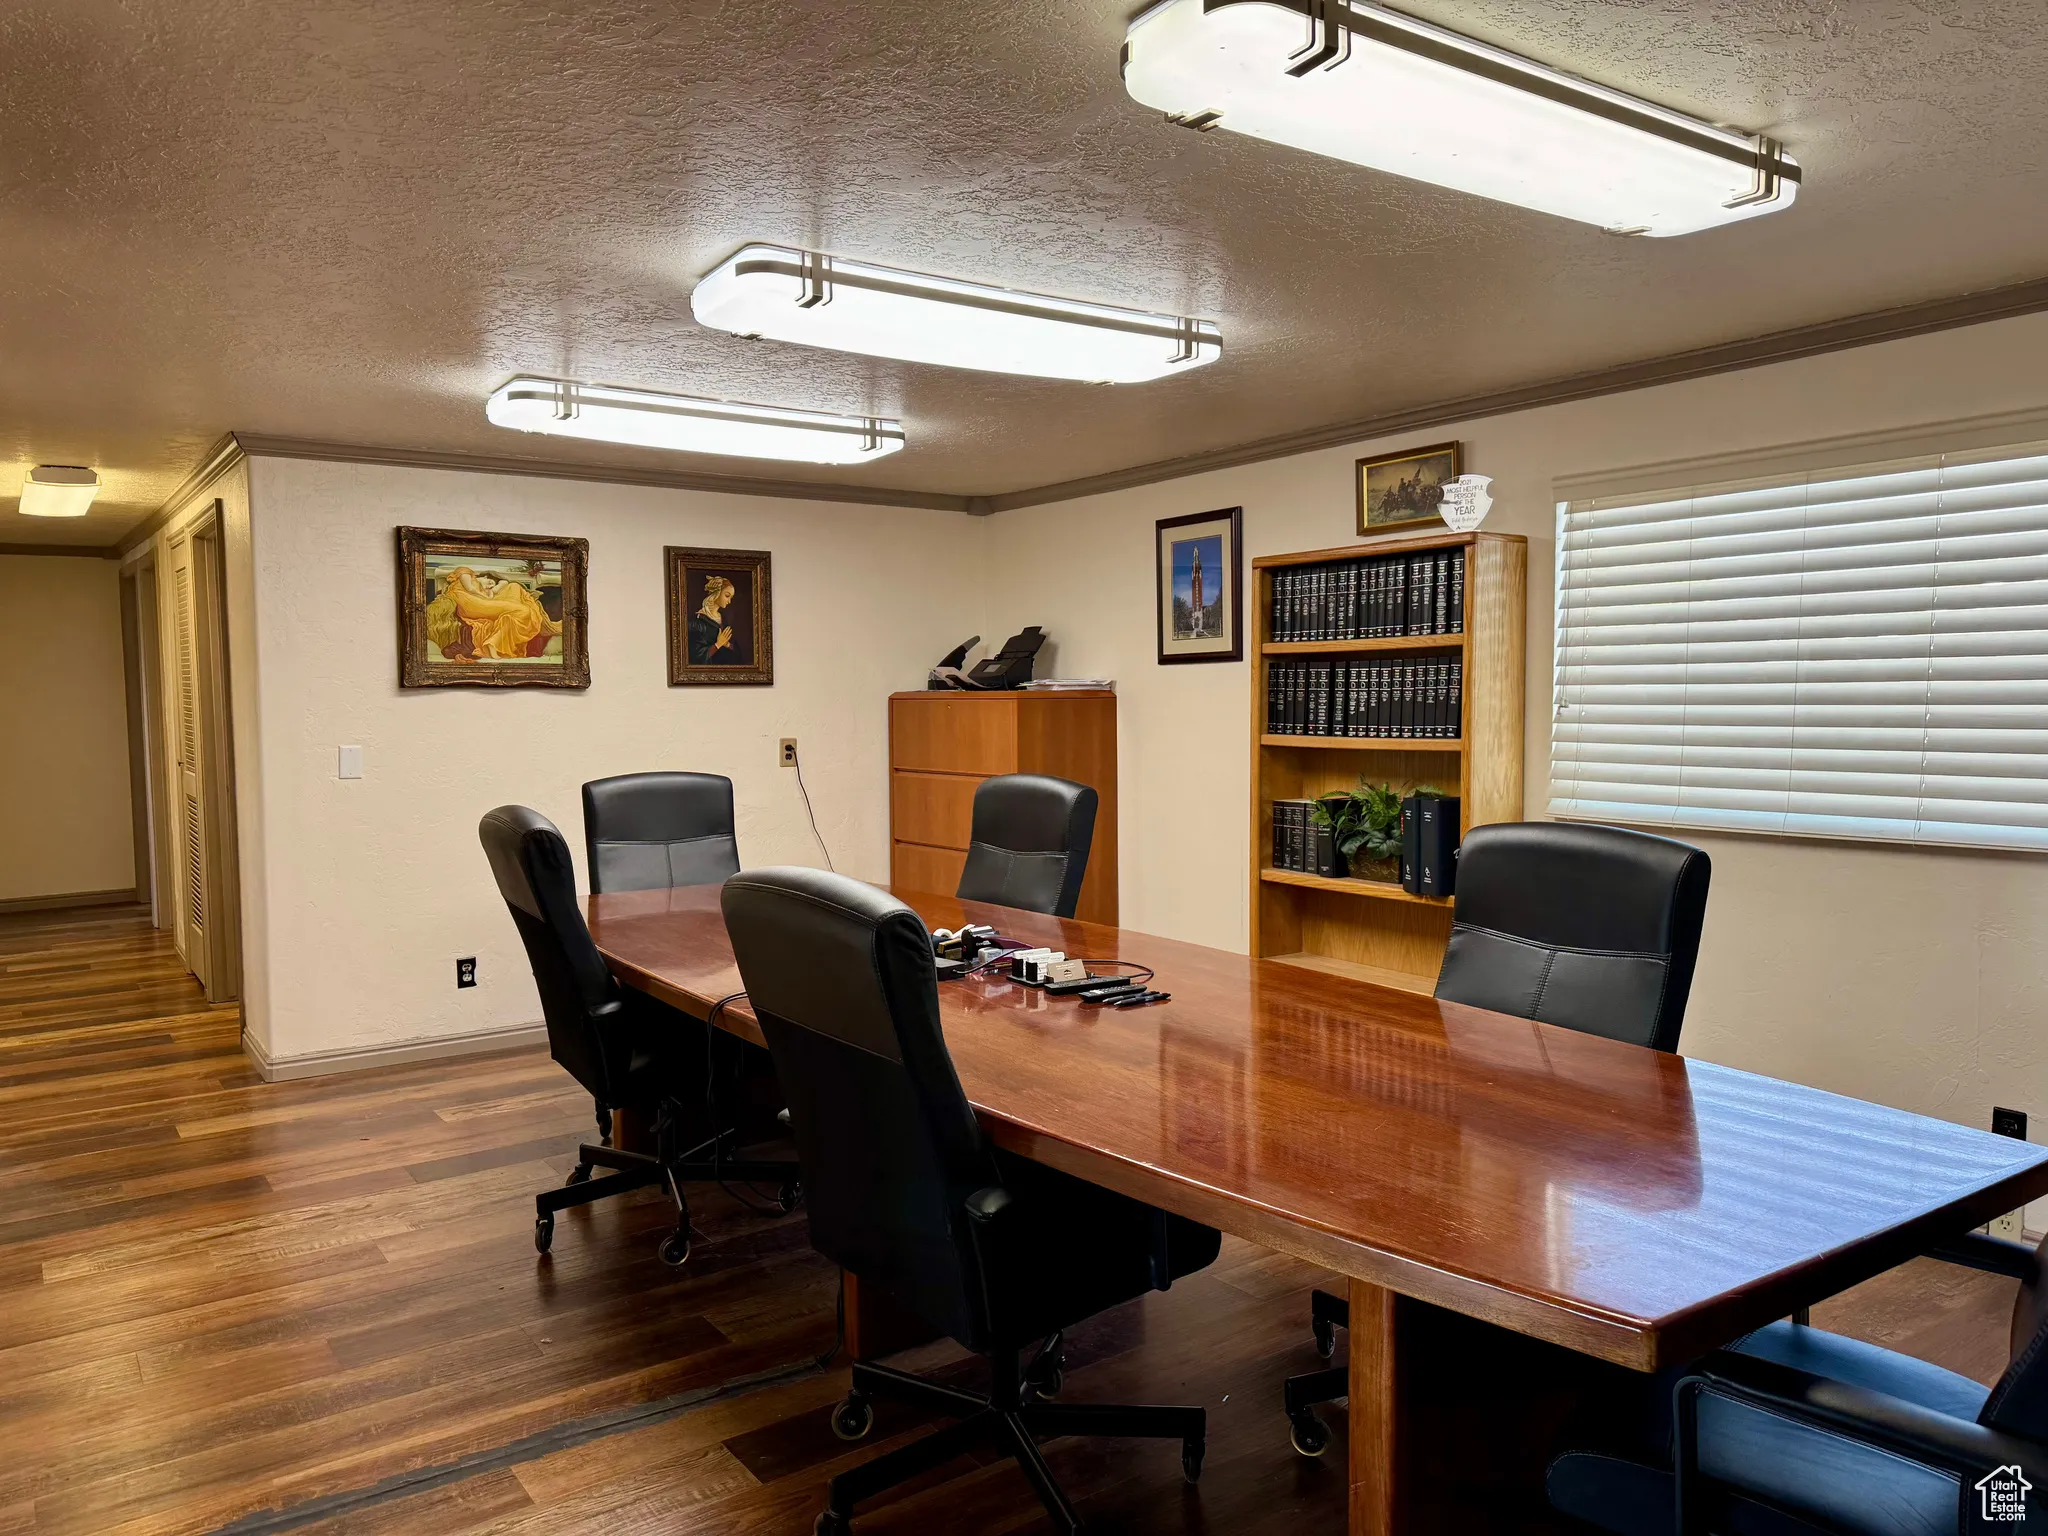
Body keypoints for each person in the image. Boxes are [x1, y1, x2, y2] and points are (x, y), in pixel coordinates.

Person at [426, 566, 562, 661]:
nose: (490, 585)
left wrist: (496, 587)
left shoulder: (485, 588)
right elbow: (470, 589)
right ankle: (495, 642)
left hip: (475, 602)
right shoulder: (465, 572)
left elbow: (490, 594)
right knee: (522, 610)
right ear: (483, 576)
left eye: (492, 584)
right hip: (468, 603)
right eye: (490, 582)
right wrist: (486, 595)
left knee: (515, 597)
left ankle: (493, 643)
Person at [688, 575, 738, 665]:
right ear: (717, 593)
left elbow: (737, 652)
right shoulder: (697, 621)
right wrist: (717, 645)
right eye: (727, 596)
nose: (729, 601)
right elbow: (695, 657)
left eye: (731, 597)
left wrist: (727, 645)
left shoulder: (724, 619)